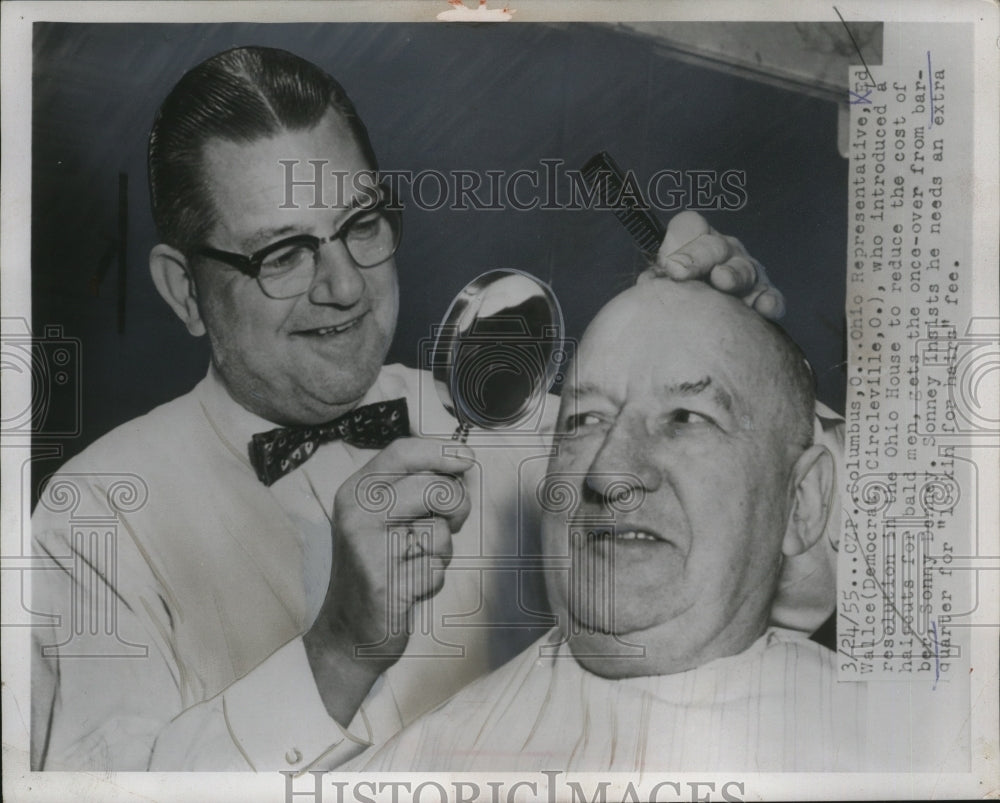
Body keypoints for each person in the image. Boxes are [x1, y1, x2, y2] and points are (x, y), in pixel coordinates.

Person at [29, 46, 827, 772]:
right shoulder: (98, 515)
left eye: (360, 226)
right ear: (184, 290)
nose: (343, 286)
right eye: (283, 252)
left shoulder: (525, 430)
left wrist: (741, 356)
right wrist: (335, 652)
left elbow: (806, 578)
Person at [363, 279, 880, 772]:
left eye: (686, 416)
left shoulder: (900, 751)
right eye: (584, 419)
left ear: (804, 502)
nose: (610, 472)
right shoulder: (413, 772)